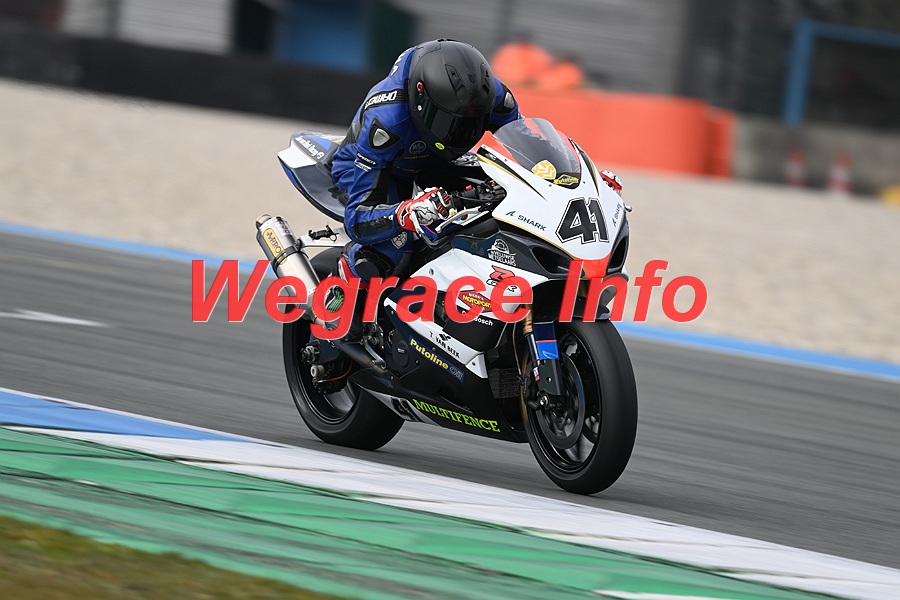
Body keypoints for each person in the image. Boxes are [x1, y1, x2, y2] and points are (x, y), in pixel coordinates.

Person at [325, 39, 522, 337]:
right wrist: (406, 213)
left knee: (494, 207)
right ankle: (341, 294)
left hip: (436, 160)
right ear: (422, 100)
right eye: (450, 121)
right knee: (396, 244)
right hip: (375, 167)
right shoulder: (388, 119)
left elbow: (524, 150)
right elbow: (358, 217)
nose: (461, 132)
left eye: (472, 123)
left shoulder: (494, 97)